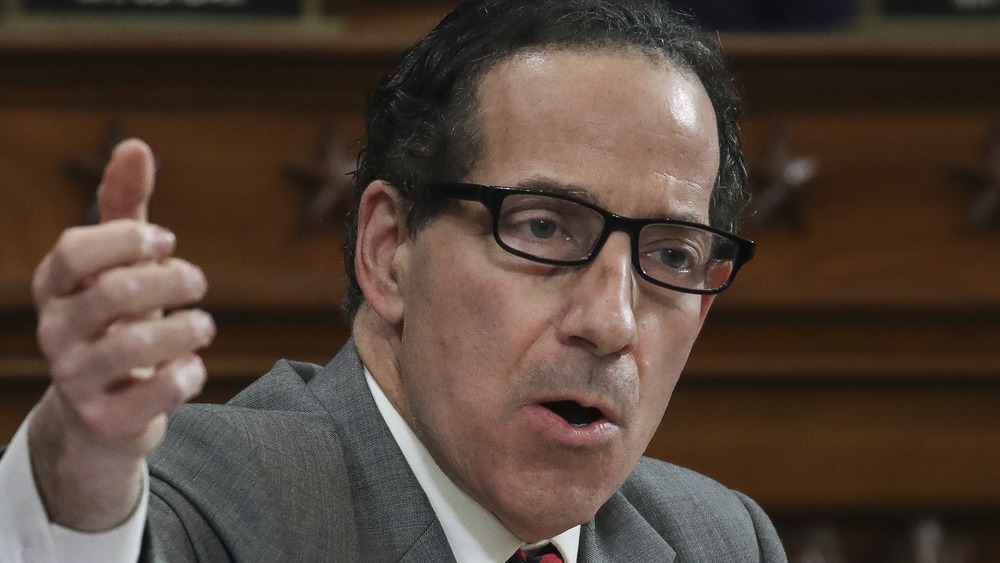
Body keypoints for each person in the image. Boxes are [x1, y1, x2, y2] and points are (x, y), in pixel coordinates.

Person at [0, 0, 786, 561]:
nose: (610, 321)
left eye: (672, 256)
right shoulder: (225, 496)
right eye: (544, 227)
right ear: (388, 250)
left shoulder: (715, 537)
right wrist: (87, 456)